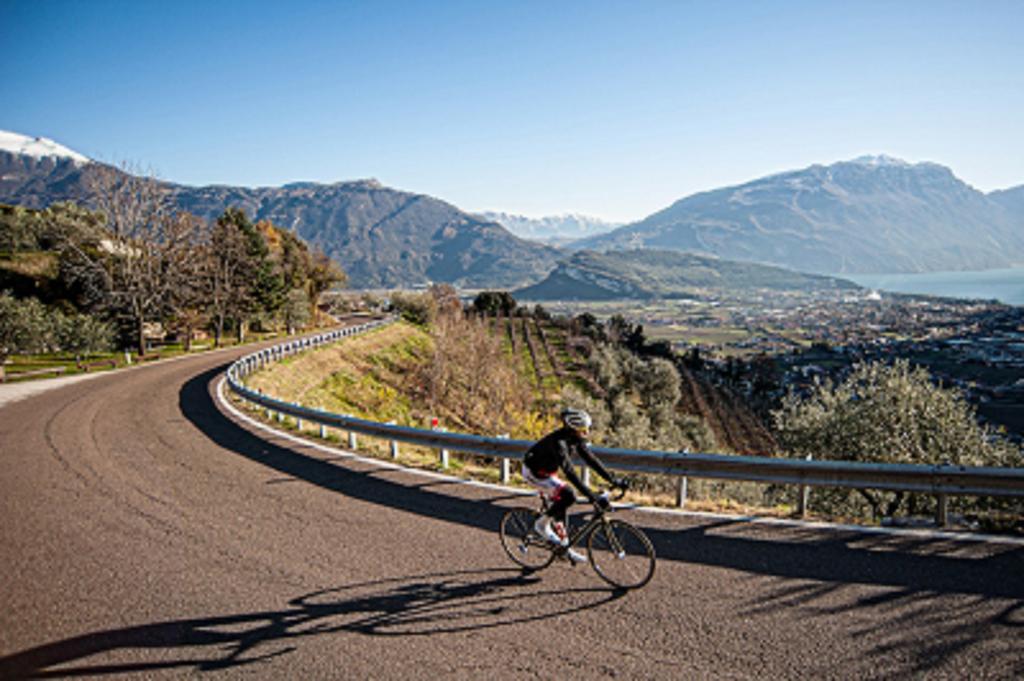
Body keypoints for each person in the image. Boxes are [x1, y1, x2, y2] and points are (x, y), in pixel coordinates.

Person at [523, 407, 626, 563]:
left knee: (562, 503)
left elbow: (591, 459)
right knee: (569, 495)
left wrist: (612, 480)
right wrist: (591, 496)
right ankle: (541, 525)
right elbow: (570, 472)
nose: (587, 432)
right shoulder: (559, 443)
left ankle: (563, 546)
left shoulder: (575, 438)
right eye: (584, 429)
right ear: (573, 429)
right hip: (534, 472)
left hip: (548, 471)